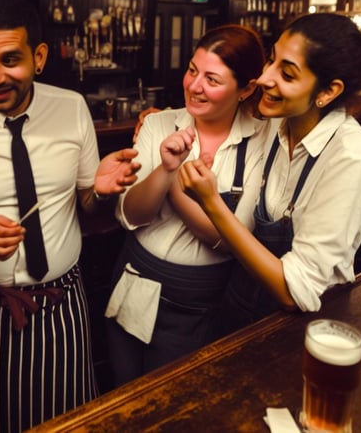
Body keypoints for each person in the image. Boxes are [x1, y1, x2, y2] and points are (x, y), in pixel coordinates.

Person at [0, 0, 140, 432]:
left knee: (68, 421)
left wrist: (101, 190)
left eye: (10, 60)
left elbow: (86, 204)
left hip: (61, 304)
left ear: (39, 57)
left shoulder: (72, 108)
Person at [179, 13, 361, 332]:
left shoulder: (351, 156)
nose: (265, 78)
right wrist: (161, 121)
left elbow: (296, 292)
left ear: (328, 91)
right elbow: (221, 111)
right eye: (271, 61)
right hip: (240, 310)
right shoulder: (275, 127)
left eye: (288, 73)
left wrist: (211, 201)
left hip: (301, 331)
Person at [105, 25, 269, 386]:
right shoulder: (159, 123)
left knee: (173, 402)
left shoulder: (262, 143)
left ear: (246, 89)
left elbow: (231, 241)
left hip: (200, 302)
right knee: (120, 393)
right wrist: (165, 169)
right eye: (193, 70)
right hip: (134, 280)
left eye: (212, 79)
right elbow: (133, 214)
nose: (194, 86)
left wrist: (177, 185)